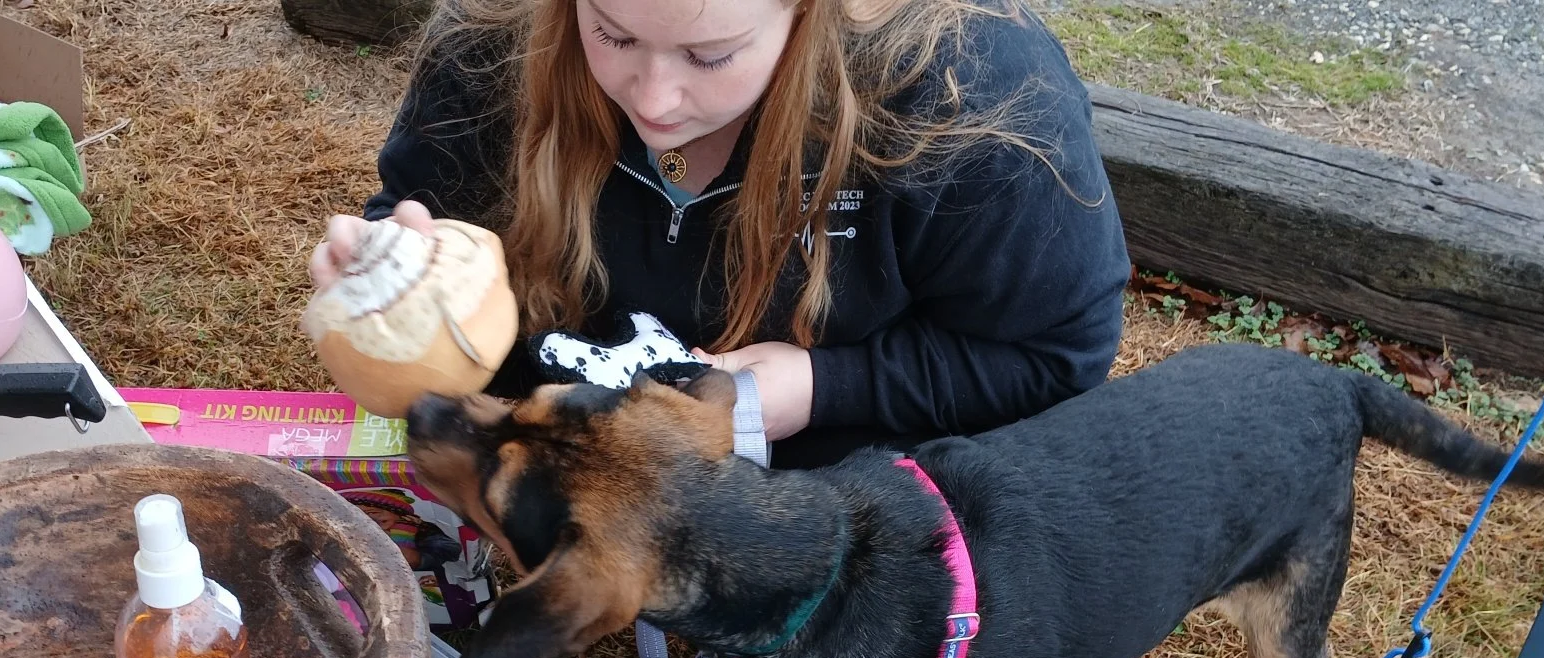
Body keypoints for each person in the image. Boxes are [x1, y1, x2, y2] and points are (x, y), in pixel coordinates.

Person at [309, 0, 1131, 469]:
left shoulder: (969, 97)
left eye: (712, 55)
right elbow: (415, 202)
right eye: (613, 33)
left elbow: (1055, 357)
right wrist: (394, 274)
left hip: (820, 517)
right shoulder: (495, 35)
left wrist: (823, 388)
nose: (657, 101)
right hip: (553, 466)